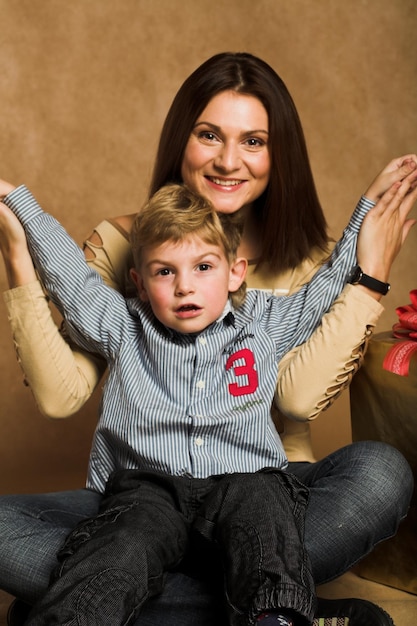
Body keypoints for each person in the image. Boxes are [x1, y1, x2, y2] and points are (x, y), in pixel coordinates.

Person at [0, 52, 415, 626]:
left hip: (256, 494)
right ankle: (274, 607)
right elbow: (69, 280)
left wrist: (368, 222)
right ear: (139, 282)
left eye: (252, 141)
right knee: (113, 537)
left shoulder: (264, 318)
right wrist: (16, 213)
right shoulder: (125, 316)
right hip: (142, 498)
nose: (228, 160)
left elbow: (325, 289)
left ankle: (137, 599)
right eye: (209, 135)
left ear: (236, 271)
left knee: (372, 477)